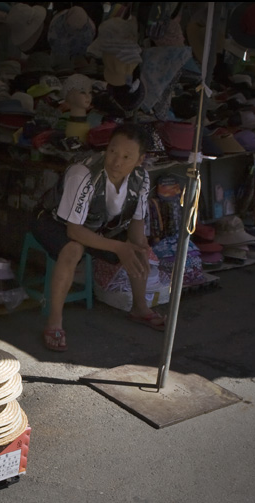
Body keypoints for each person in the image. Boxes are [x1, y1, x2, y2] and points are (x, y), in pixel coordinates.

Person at [32, 123, 165, 352]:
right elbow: (74, 231)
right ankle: (54, 322)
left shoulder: (141, 178)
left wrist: (139, 246)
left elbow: (137, 222)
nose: (116, 162)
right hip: (52, 221)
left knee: (137, 248)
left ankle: (140, 308)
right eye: (113, 151)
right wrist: (118, 248)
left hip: (96, 225)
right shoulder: (83, 173)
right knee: (73, 249)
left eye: (126, 156)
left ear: (140, 160)